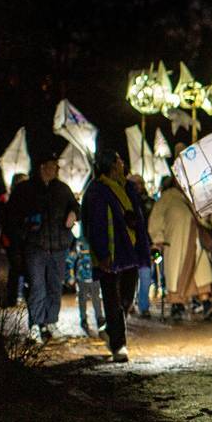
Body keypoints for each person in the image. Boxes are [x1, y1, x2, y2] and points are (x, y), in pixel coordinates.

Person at [82, 149, 151, 362]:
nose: (123, 163)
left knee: (126, 299)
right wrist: (101, 254)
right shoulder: (96, 191)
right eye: (120, 160)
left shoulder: (128, 188)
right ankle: (119, 345)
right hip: (108, 255)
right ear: (112, 164)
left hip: (129, 252)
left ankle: (113, 330)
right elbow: (93, 225)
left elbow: (138, 217)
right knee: (112, 299)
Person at [6, 151, 79, 340]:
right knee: (37, 286)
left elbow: (75, 206)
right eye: (53, 165)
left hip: (58, 247)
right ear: (42, 167)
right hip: (35, 247)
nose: (56, 169)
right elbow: (11, 217)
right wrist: (24, 233)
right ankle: (35, 324)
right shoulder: (25, 190)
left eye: (57, 166)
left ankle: (50, 321)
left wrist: (73, 213)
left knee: (55, 285)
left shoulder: (62, 189)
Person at [148, 176, 212, 320]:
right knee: (176, 274)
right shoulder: (168, 197)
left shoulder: (200, 194)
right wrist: (158, 239)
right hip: (175, 243)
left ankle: (206, 303)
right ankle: (177, 305)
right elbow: (156, 218)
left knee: (202, 272)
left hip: (198, 241)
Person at [127, 174, 155, 318]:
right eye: (134, 184)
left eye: (140, 183)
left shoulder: (149, 203)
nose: (138, 186)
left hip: (146, 247)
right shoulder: (126, 202)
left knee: (146, 277)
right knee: (131, 278)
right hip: (131, 248)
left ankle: (143, 306)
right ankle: (130, 303)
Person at [0, 172, 30, 307]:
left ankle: (21, 295)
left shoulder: (26, 201)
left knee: (21, 268)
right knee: (16, 268)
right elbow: (7, 223)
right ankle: (14, 297)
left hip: (22, 240)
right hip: (14, 240)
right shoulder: (10, 202)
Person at [66, 234, 103, 335]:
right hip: (82, 277)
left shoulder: (99, 240)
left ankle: (100, 318)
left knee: (96, 298)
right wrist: (70, 276)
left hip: (95, 276)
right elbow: (70, 260)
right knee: (82, 299)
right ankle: (83, 319)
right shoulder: (79, 242)